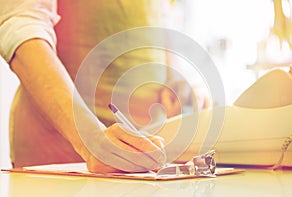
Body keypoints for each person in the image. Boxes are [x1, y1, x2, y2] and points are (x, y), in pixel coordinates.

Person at [0, 0, 203, 173]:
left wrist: (175, 82)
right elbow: (21, 28)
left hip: (143, 164)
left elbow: (158, 18)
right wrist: (88, 137)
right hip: (59, 154)